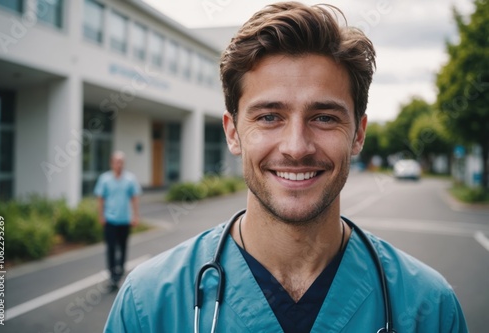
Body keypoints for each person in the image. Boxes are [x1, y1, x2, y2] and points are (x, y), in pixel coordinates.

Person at [104, 2, 468, 332]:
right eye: (269, 116)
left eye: (324, 117)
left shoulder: (429, 309)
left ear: (358, 135)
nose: (296, 147)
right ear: (233, 134)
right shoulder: (148, 306)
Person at [94, 151, 141, 291]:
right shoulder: (104, 179)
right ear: (111, 163)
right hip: (110, 220)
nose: (118, 164)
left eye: (121, 162)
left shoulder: (130, 179)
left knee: (123, 247)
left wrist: (135, 216)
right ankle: (113, 276)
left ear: (123, 163)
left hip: (124, 220)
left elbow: (134, 198)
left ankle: (120, 272)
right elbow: (100, 199)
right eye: (116, 162)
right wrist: (101, 215)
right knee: (111, 249)